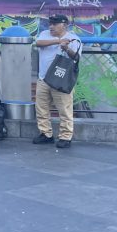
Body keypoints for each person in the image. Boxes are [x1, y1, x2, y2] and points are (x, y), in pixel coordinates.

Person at [33, 14, 82, 148]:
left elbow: (77, 57)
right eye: (50, 23)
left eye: (55, 24)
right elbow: (38, 43)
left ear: (64, 25)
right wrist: (58, 41)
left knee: (64, 110)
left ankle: (66, 137)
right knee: (41, 109)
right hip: (43, 79)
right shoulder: (44, 34)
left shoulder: (74, 39)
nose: (51, 26)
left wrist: (66, 48)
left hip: (62, 80)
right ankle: (45, 134)